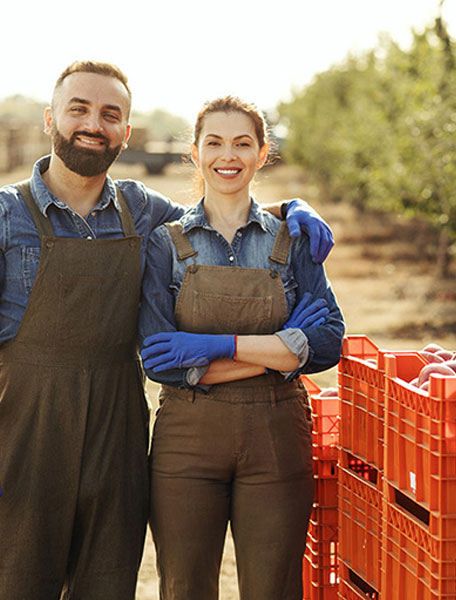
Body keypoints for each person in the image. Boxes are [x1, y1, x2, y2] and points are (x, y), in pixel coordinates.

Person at [0, 61, 334, 600]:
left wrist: (295, 207)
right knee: (17, 581)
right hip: (22, 436)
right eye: (79, 109)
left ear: (125, 133)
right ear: (49, 119)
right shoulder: (4, 215)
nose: (94, 123)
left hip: (118, 434)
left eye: (110, 114)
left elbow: (222, 216)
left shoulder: (141, 210)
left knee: (107, 583)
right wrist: (277, 349)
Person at [137, 95, 344, 600]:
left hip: (277, 440)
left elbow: (327, 343)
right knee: (184, 588)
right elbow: (162, 363)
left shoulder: (293, 239)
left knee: (273, 588)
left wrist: (213, 347)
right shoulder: (165, 244)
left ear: (261, 152)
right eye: (214, 142)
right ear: (194, 152)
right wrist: (281, 351)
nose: (227, 155)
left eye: (242, 143)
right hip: (187, 442)